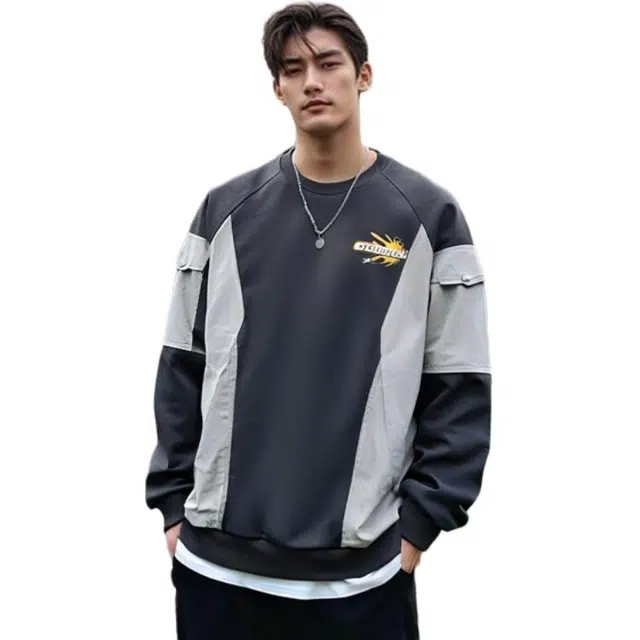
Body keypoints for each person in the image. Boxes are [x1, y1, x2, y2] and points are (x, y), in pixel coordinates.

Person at [145, 2, 491, 638]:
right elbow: (180, 368)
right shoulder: (222, 212)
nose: (312, 82)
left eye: (329, 64)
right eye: (292, 69)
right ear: (277, 87)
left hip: (361, 579)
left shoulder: (429, 217)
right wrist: (172, 507)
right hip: (217, 572)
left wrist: (419, 527)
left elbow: (460, 384)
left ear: (364, 75)